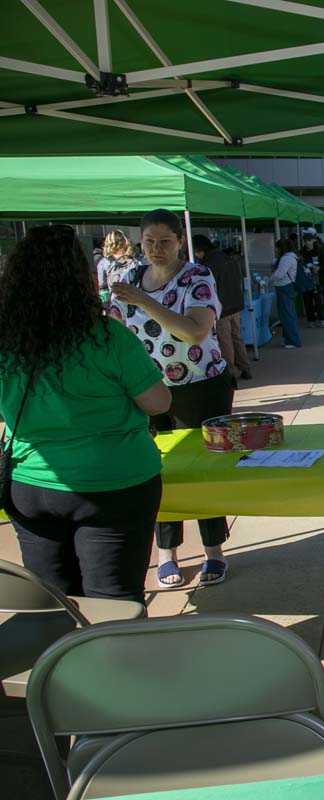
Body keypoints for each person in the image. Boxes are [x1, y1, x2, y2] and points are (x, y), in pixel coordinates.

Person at [0, 225, 170, 603]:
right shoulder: (107, 336)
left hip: (31, 484)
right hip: (115, 482)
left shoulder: (6, 341)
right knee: (114, 602)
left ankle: (60, 661)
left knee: (52, 603)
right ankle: (112, 663)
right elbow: (158, 403)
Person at [109, 209, 234, 589]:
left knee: (203, 468)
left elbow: (194, 331)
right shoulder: (129, 279)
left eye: (165, 241)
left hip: (200, 386)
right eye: (149, 242)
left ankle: (213, 549)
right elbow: (115, 331)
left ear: (181, 241)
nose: (156, 249)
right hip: (146, 387)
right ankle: (167, 552)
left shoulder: (197, 277)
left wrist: (143, 301)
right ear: (139, 242)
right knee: (155, 467)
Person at [193, 235, 252, 381]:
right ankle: (245, 367)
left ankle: (231, 371)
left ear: (200, 250)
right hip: (236, 304)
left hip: (222, 307)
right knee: (236, 337)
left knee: (225, 340)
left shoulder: (209, 264)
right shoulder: (228, 257)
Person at [270, 238, 302, 349]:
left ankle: (293, 340)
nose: (275, 250)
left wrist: (270, 278)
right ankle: (289, 339)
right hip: (288, 288)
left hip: (284, 288)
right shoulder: (292, 257)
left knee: (287, 315)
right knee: (288, 314)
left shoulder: (286, 258)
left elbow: (279, 274)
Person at [95, 230, 141, 296]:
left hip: (115, 300)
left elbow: (103, 286)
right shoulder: (137, 258)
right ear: (126, 241)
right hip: (136, 298)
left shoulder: (104, 262)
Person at [300, 234, 324, 329]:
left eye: (309, 240)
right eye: (305, 241)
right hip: (305, 280)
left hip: (316, 279)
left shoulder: (319, 251)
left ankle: (321, 319)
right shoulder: (301, 252)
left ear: (313, 240)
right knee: (307, 301)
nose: (307, 242)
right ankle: (311, 320)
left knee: (318, 300)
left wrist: (319, 268)